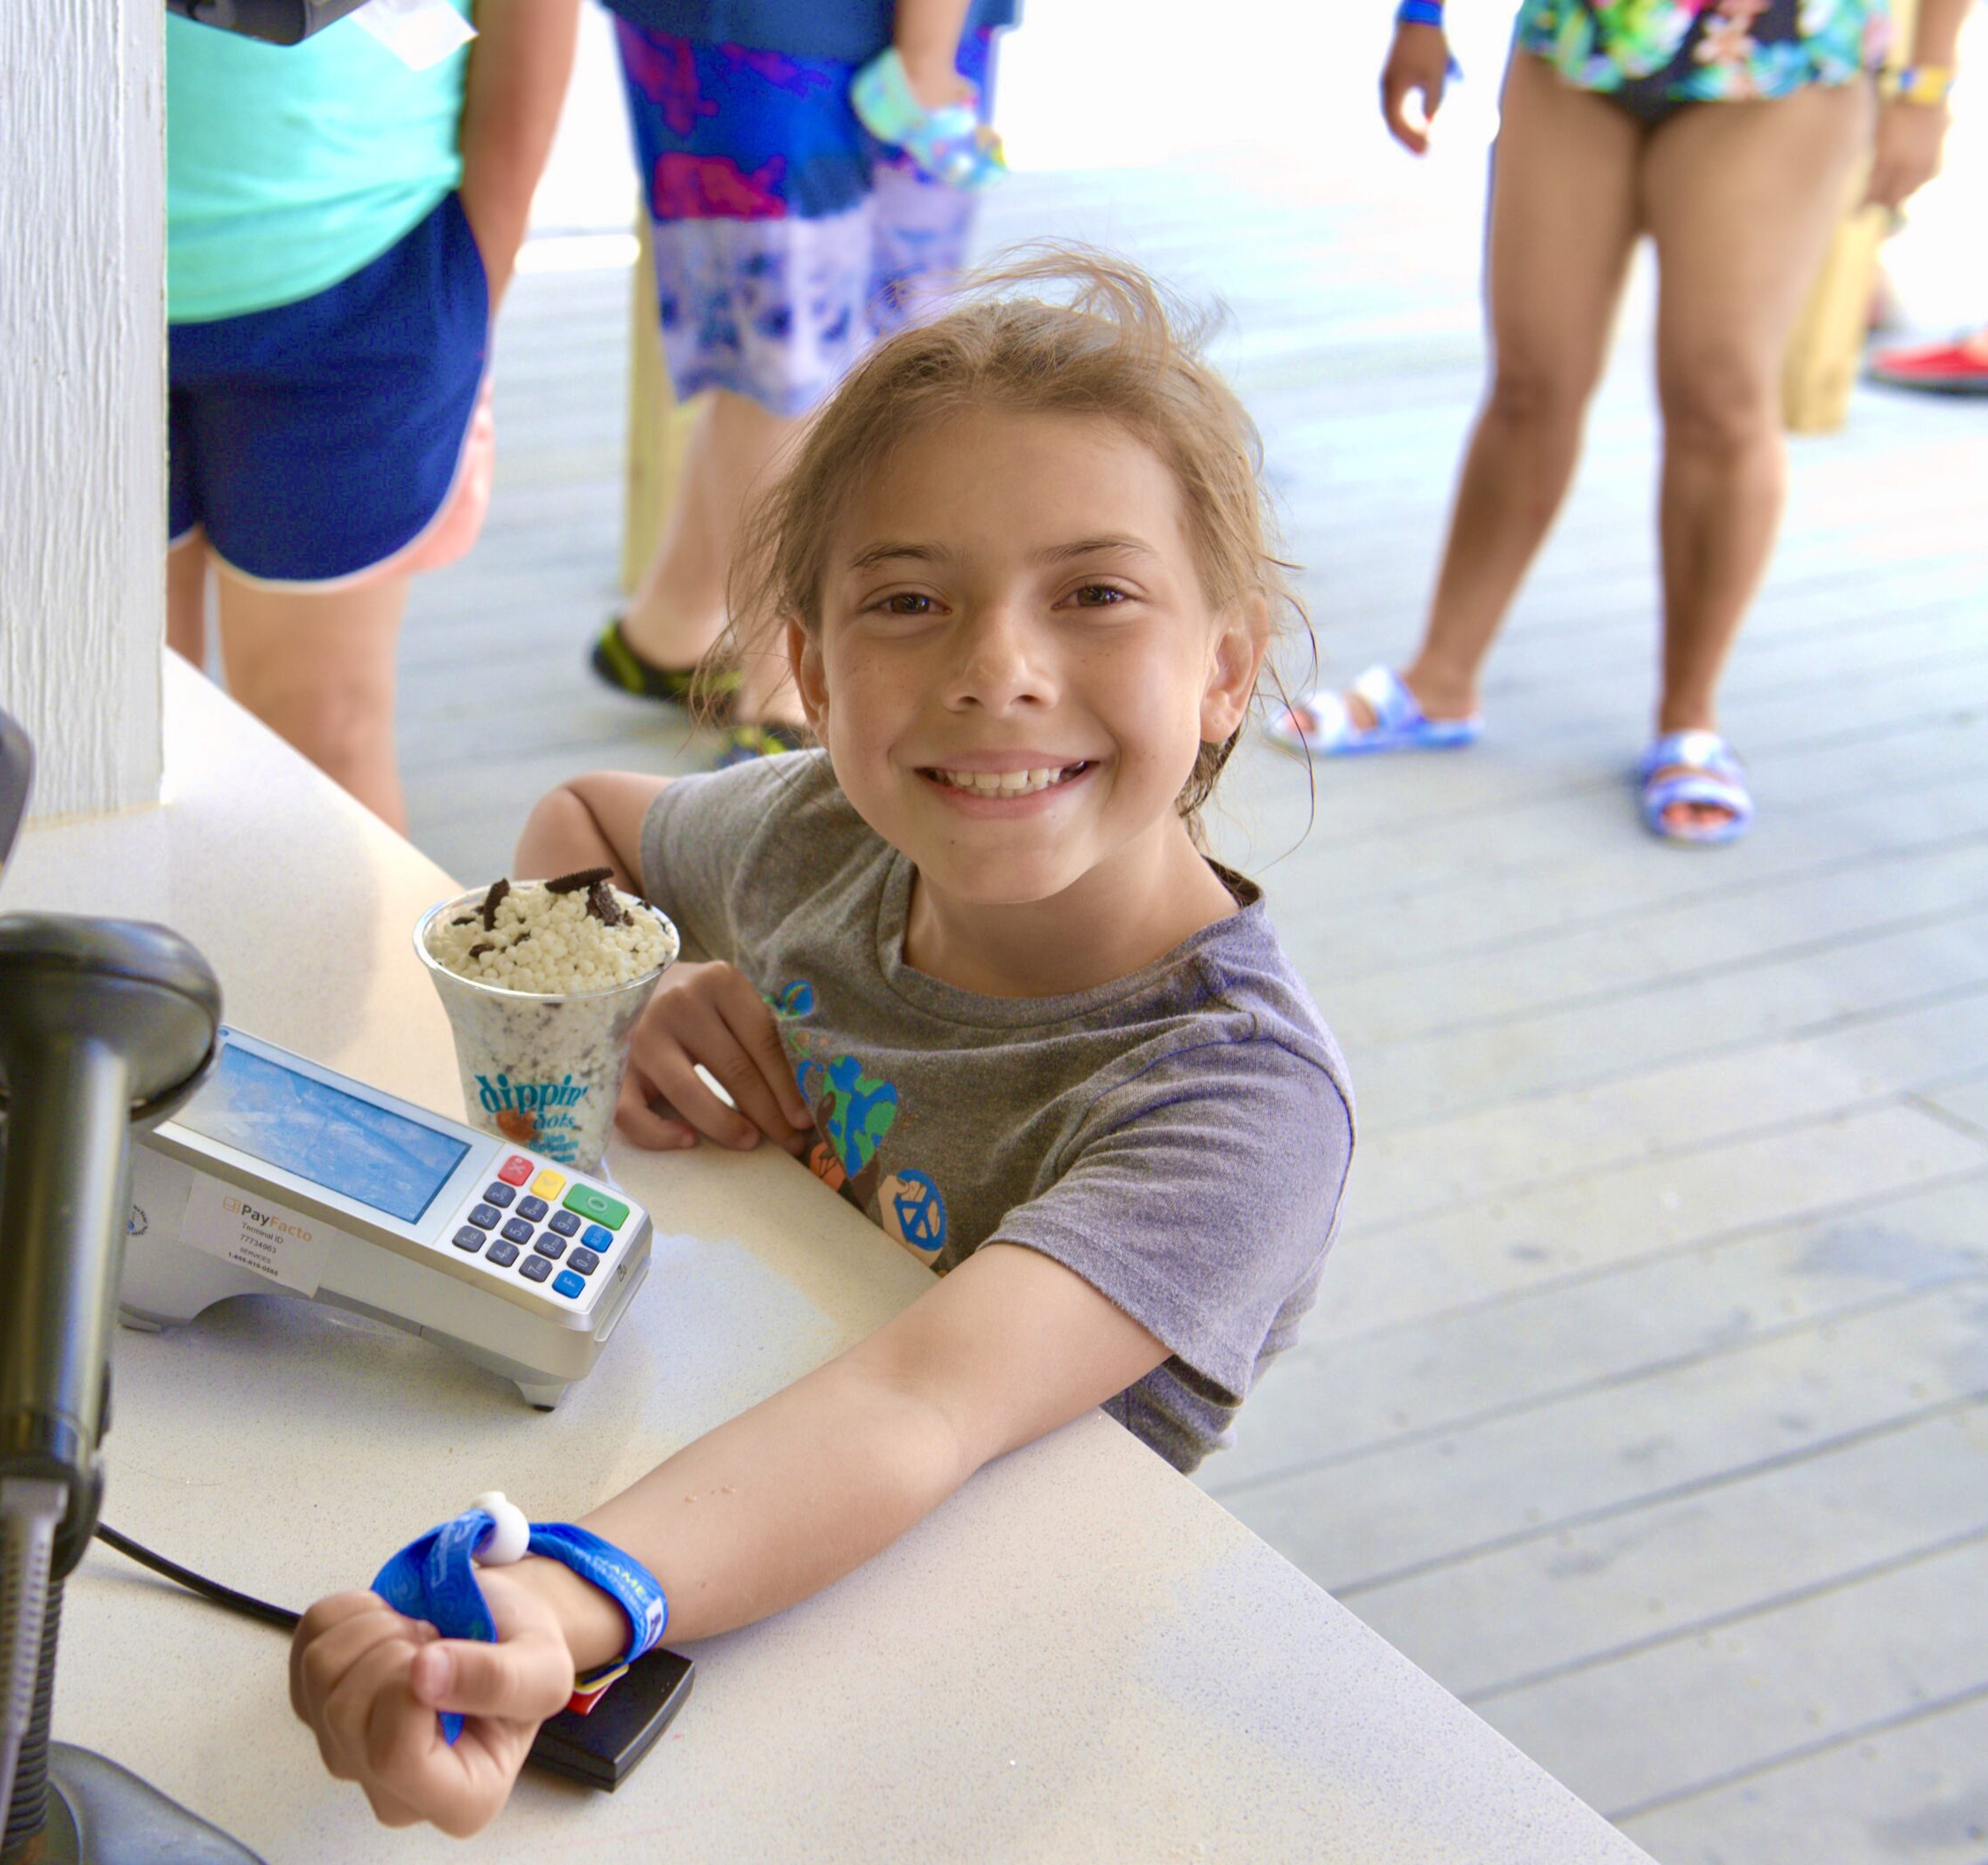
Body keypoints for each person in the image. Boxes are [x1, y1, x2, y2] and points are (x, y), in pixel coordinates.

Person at [286, 255, 1355, 1835]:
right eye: (910, 601)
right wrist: (624, 987)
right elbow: (585, 820)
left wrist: (566, 1608)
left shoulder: (1235, 1102)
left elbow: (918, 1403)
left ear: (1225, 666)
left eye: (1097, 593)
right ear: (813, 662)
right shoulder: (815, 838)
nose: (998, 666)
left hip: (962, 1701)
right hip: (692, 1486)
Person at [1270, 0, 1964, 843]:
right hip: (1579, 37)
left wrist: (1926, 86)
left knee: (1718, 398)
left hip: (1787, 56)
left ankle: (1688, 722)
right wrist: (1420, 14)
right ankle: (1437, 682)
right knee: (1530, 380)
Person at [165, 1, 580, 830]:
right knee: (112, 733)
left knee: (321, 740)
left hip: (364, 283)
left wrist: (474, 279)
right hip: (50, 263)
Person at [586, 0, 1019, 763]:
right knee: (791, 363)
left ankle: (670, 629)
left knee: (857, 351)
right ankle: (779, 699)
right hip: (784, 36)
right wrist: (925, 57)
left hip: (864, 35)